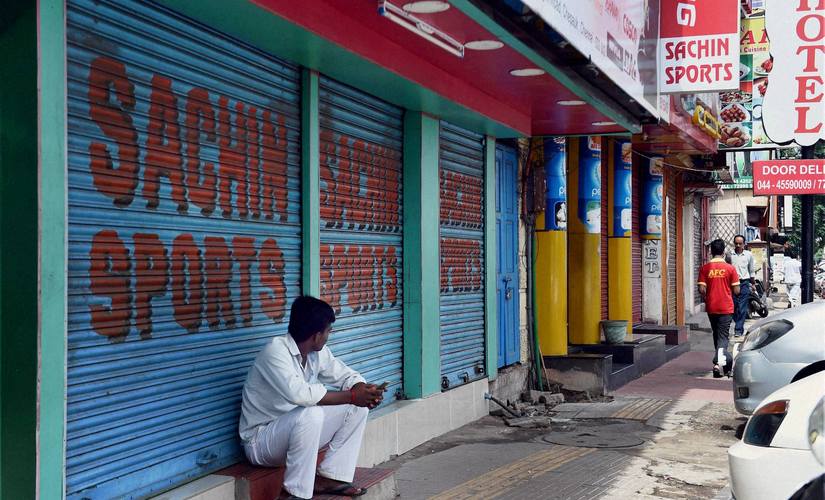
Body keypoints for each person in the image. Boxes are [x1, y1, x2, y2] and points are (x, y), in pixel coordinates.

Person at [239, 296, 385, 499]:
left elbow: (344, 374)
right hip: (261, 442)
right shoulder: (275, 352)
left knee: (356, 408)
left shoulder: (317, 353)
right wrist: (353, 396)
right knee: (312, 413)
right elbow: (301, 395)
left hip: (296, 433)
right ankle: (293, 493)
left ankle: (330, 478)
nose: (328, 336)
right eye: (328, 331)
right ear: (317, 335)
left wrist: (364, 392)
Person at [698, 239, 741, 378]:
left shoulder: (705, 268)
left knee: (717, 334)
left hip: (711, 307)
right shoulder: (730, 269)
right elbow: (736, 291)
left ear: (711, 251)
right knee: (723, 336)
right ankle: (719, 363)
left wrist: (710, 291)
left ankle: (719, 363)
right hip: (726, 307)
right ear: (723, 252)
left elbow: (701, 289)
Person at [728, 235, 755, 336]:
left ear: (744, 244)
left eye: (740, 243)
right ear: (734, 243)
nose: (738, 245)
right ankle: (738, 323)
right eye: (736, 243)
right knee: (734, 306)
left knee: (742, 307)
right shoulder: (729, 255)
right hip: (732, 284)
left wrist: (753, 284)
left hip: (744, 283)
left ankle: (738, 330)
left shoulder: (749, 255)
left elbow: (751, 270)